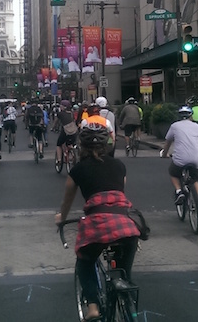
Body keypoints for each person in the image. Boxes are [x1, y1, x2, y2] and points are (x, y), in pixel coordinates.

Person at [55, 122, 141, 322]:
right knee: (124, 272)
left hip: (97, 224)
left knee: (84, 260)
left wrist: (61, 218)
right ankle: (126, 299)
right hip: (125, 224)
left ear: (81, 146)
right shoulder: (120, 166)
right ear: (109, 144)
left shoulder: (77, 170)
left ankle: (93, 306)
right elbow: (120, 194)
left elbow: (66, 202)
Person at [160, 105, 198, 206]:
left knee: (173, 172)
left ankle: (179, 191)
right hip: (196, 158)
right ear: (191, 116)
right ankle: (196, 203)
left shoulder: (174, 126)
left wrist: (164, 154)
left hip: (181, 159)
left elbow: (168, 142)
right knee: (195, 179)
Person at [54, 100, 77, 165]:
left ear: (63, 107)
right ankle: (72, 155)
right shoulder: (71, 113)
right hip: (74, 131)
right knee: (70, 144)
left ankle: (59, 160)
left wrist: (53, 128)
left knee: (59, 144)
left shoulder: (60, 114)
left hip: (65, 131)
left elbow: (56, 122)